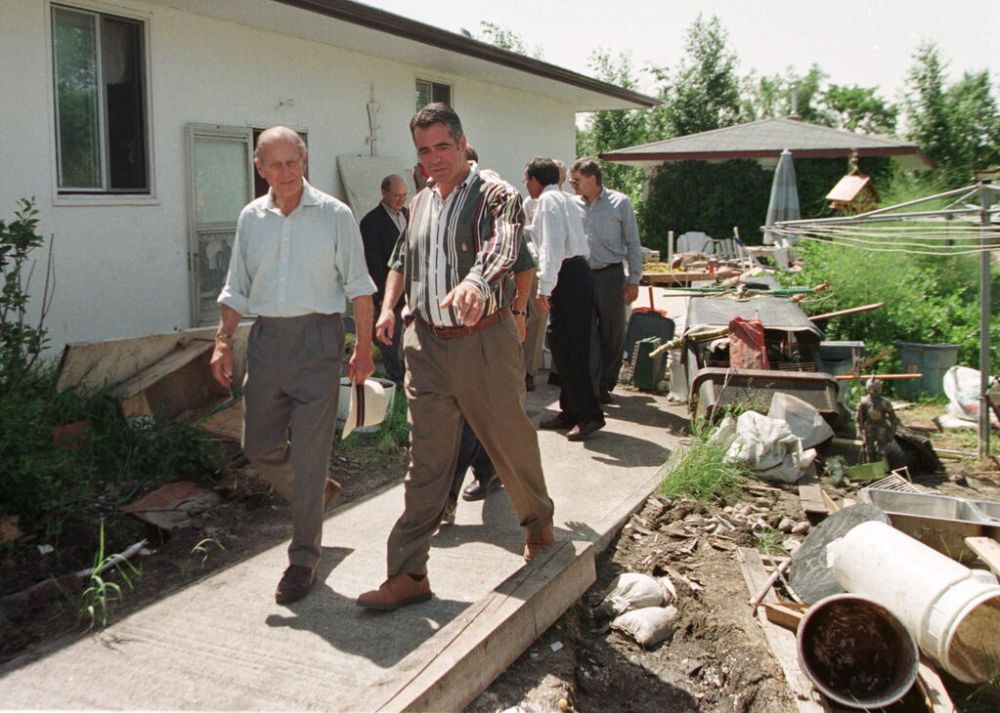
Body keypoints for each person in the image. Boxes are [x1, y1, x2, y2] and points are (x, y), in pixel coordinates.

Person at [357, 103, 554, 611]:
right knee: (426, 462)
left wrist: (474, 281)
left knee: (508, 439)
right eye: (424, 151)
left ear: (462, 144)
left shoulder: (495, 193)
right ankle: (408, 574)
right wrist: (388, 306)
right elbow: (402, 258)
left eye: (443, 147)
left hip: (482, 341)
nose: (434, 159)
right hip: (425, 344)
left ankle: (538, 523)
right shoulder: (420, 202)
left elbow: (506, 244)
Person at [211, 126, 376, 605]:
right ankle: (316, 492)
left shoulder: (334, 215)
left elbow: (360, 287)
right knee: (258, 445)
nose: (285, 173)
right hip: (265, 342)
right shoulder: (251, 218)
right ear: (259, 167)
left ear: (305, 161)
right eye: (274, 164)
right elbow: (235, 287)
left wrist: (362, 349)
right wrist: (222, 342)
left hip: (318, 341)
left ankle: (304, 555)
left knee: (308, 454)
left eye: (293, 162)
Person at [527, 157, 604, 441]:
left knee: (570, 347)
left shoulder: (549, 202)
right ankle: (571, 409)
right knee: (563, 345)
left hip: (566, 274)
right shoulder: (563, 200)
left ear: (535, 180)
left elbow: (552, 245)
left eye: (528, 180)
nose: (527, 186)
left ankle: (588, 414)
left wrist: (544, 287)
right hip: (574, 273)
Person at [570, 158, 643, 404]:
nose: (573, 184)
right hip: (582, 275)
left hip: (610, 275)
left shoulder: (619, 203)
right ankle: (592, 385)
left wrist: (634, 280)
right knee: (585, 332)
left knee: (613, 331)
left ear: (592, 179)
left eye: (577, 180)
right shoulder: (573, 205)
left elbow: (633, 243)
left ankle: (606, 382)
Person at [359, 174, 408, 384]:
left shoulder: (409, 214)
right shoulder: (371, 222)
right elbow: (373, 262)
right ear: (384, 193)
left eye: (404, 196)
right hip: (388, 290)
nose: (400, 200)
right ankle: (395, 377)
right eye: (396, 195)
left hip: (412, 289)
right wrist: (382, 296)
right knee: (390, 336)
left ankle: (410, 373)